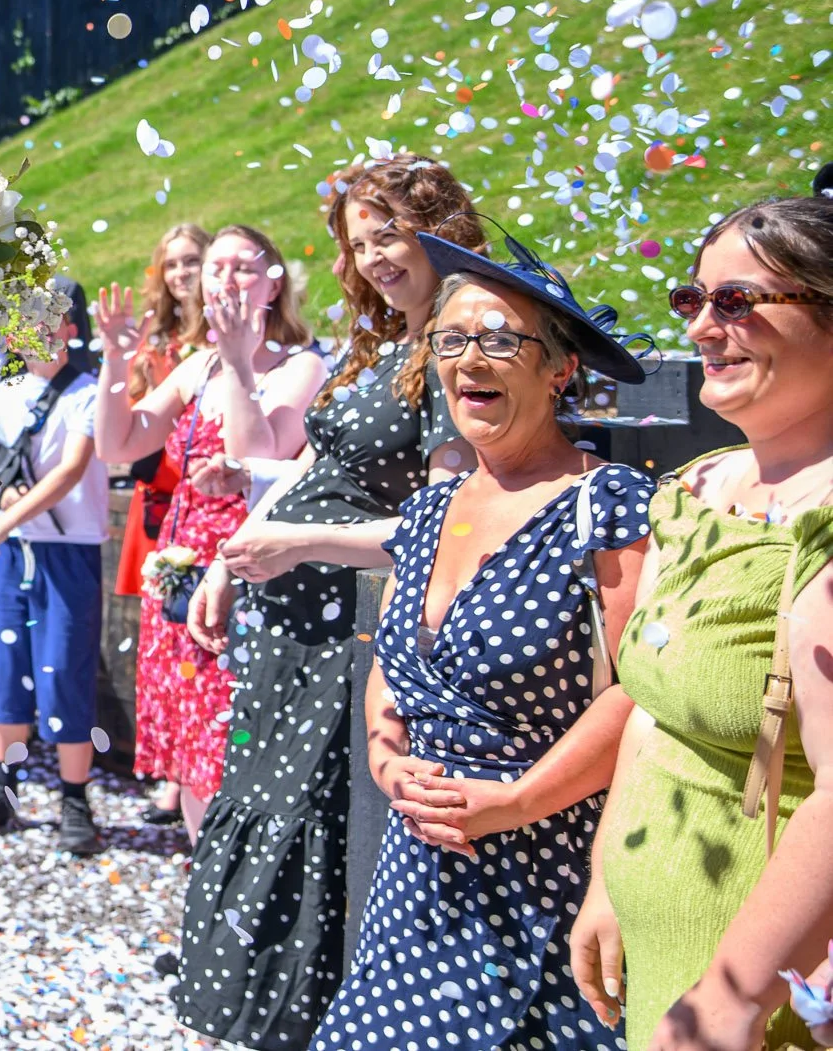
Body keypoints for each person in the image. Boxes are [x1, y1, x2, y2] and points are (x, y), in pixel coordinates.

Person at [311, 238, 655, 1051]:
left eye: (501, 338)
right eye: (452, 339)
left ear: (559, 370)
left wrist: (517, 799)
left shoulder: (607, 503)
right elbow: (392, 670)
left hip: (551, 874)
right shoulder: (430, 511)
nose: (472, 357)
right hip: (418, 878)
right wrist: (390, 760)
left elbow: (640, 690)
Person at [176, 158, 480, 1049]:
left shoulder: (458, 346)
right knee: (269, 814)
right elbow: (316, 466)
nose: (375, 255)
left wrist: (300, 543)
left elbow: (448, 525)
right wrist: (235, 559)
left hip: (349, 639)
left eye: (388, 231)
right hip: (286, 634)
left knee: (328, 839)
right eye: (359, 241)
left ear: (437, 225)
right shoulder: (380, 342)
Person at [573, 197, 833, 1051]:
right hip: (664, 957)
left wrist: (728, 997)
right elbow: (654, 711)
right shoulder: (696, 490)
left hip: (763, 990)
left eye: (736, 302)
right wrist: (608, 878)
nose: (701, 329)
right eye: (694, 301)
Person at [98, 224, 326, 837]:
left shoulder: (301, 366)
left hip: (248, 570)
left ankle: (238, 880)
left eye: (243, 267)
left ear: (274, 284)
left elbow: (258, 458)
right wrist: (116, 361)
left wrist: (238, 363)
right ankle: (205, 873)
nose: (226, 278)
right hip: (180, 571)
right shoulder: (197, 365)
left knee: (234, 731)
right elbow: (118, 443)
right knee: (192, 741)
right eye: (216, 267)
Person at [0, 281, 108, 853]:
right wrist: (2, 496)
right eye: (22, 319)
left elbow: (70, 470)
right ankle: (8, 786)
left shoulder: (88, 393)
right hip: (16, 550)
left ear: (71, 328)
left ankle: (75, 797)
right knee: (7, 662)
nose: (33, 330)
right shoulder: (4, 385)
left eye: (49, 319)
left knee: (66, 667)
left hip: (67, 550)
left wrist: (2, 521)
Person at [118, 222, 210, 828]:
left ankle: (188, 775)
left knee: (194, 637)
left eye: (191, 261)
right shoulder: (155, 342)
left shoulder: (222, 342)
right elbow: (128, 424)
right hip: (157, 502)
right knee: (158, 635)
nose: (181, 274)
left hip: (206, 502)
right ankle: (172, 768)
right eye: (171, 264)